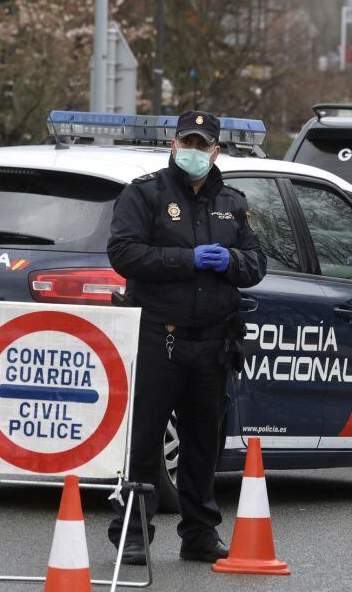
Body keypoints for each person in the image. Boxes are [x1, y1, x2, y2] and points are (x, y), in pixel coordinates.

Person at [106, 110, 267, 564]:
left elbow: (256, 263)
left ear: (216, 152)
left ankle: (199, 533)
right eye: (187, 142)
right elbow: (123, 252)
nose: (194, 152)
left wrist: (229, 263)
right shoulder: (146, 194)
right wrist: (188, 259)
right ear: (173, 145)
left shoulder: (232, 202)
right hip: (160, 336)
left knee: (202, 445)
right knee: (144, 442)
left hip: (213, 342)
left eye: (203, 145)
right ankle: (133, 531)